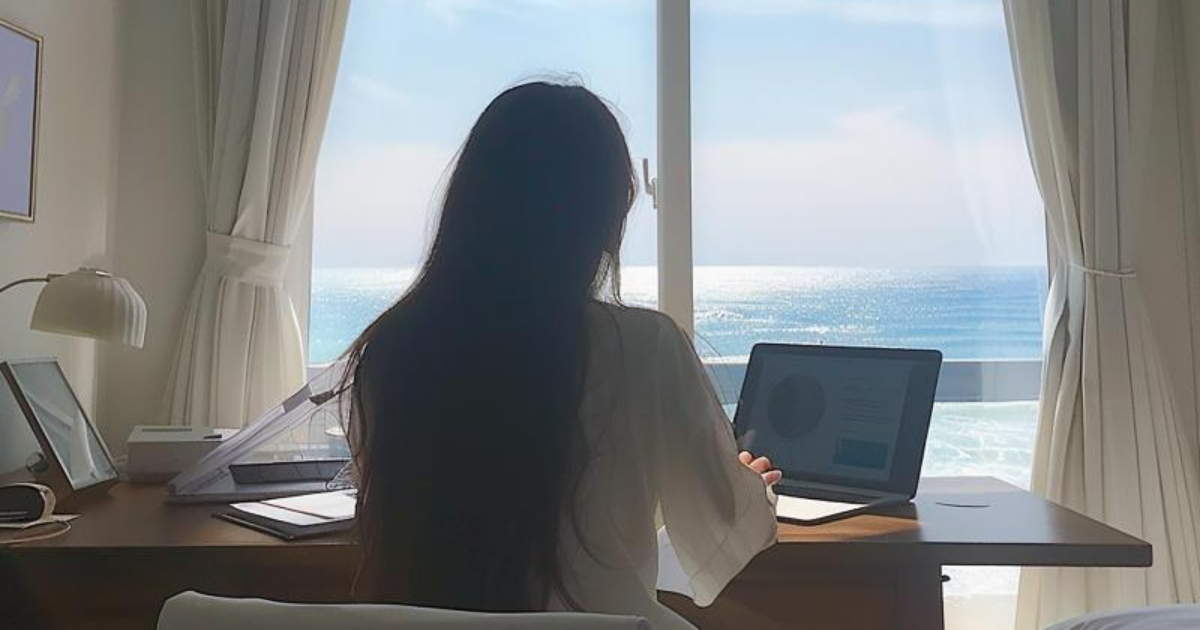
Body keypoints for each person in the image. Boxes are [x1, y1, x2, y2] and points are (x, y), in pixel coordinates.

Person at [340, 80, 779, 629]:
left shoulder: (391, 352)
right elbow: (724, 527)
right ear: (603, 220)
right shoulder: (644, 345)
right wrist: (752, 490)